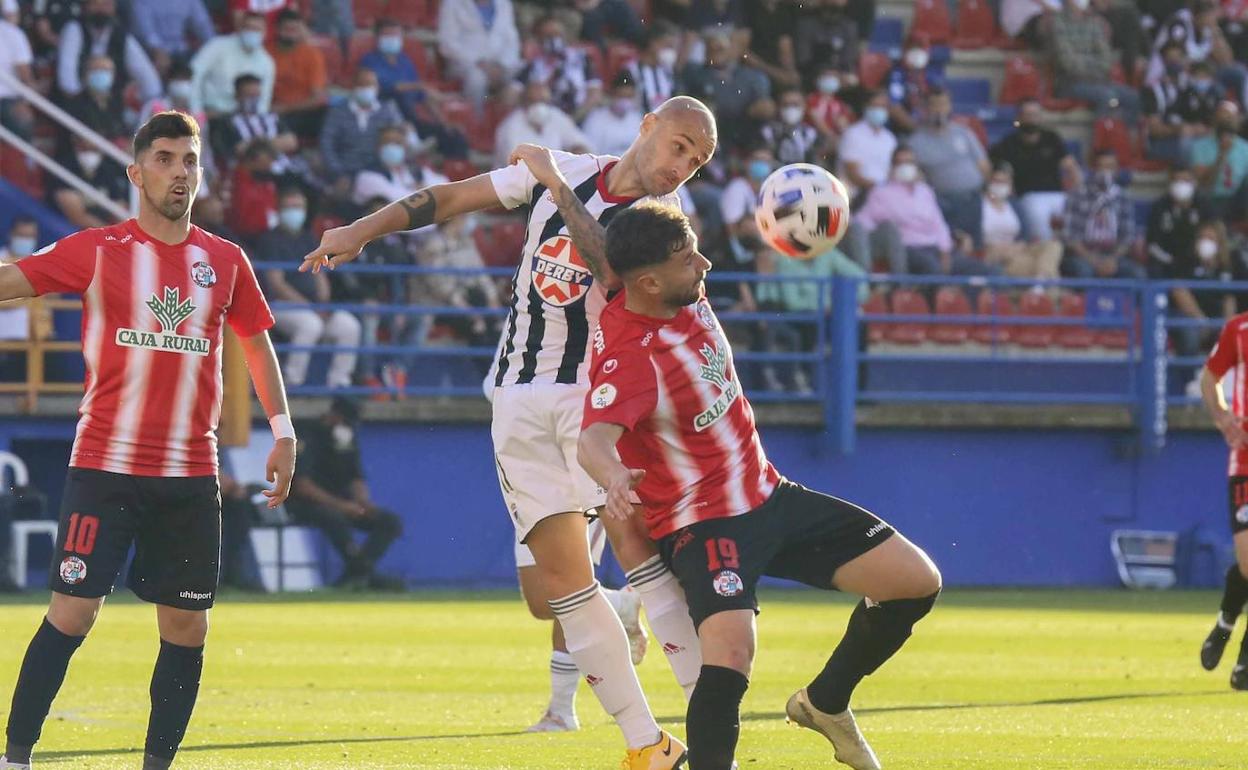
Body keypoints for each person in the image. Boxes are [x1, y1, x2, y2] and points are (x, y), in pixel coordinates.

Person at [298, 97, 724, 769]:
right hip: (518, 400)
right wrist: (363, 229)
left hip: (599, 410)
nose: (682, 167)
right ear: (647, 127)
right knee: (550, 593)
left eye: (696, 162)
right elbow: (448, 199)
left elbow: (613, 273)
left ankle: (699, 742)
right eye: (678, 146)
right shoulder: (571, 169)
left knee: (641, 564)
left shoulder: (666, 226)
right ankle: (647, 735)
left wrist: (554, 185)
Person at [578, 201, 942, 770]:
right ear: (648, 281)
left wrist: (560, 183)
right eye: (686, 257)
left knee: (915, 581)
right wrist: (613, 474)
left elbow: (605, 249)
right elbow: (593, 439)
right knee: (731, 652)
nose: (705, 263)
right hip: (703, 521)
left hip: (769, 493)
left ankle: (825, 703)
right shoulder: (631, 354)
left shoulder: (673, 290)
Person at [0, 110, 295, 770]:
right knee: (73, 614)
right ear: (137, 173)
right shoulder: (98, 250)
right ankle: (16, 756)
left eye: (189, 160)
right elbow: (12, 282)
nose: (180, 173)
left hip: (189, 473)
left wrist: (284, 433)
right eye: (165, 159)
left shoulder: (224, 260)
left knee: (186, 627)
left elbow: (256, 343)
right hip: (104, 464)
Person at [286, 397, 402, 589]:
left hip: (342, 504)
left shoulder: (346, 437)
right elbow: (303, 486)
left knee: (389, 522)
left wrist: (363, 501)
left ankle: (355, 575)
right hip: (304, 504)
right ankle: (366, 575)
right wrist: (342, 506)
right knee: (333, 518)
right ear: (334, 416)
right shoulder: (307, 434)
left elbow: (355, 476)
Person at [259, 187, 361, 389]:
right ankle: (293, 381)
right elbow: (277, 283)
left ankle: (339, 382)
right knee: (310, 325)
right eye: (289, 207)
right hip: (280, 305)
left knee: (349, 326)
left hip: (314, 307)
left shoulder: (308, 237)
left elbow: (320, 274)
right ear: (279, 210)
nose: (295, 211)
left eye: (298, 207)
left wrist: (323, 304)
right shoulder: (270, 239)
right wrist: (309, 307)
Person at [1198, 308, 1248, 691]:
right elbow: (1210, 376)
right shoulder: (1238, 328)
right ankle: (1225, 622)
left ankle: (1245, 659)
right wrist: (1222, 417)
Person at [989, 100, 1082, 241]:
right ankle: (1047, 251)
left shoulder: (1051, 138)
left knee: (1081, 210)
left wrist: (1078, 191)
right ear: (1019, 117)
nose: (1032, 119)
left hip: (1058, 194)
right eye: (1028, 115)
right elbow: (999, 172)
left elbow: (1070, 166)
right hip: (1029, 196)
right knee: (1037, 215)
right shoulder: (1008, 144)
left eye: (1035, 114)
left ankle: (1077, 250)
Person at [1060, 149, 1146, 279]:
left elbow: (1127, 238)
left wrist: (1112, 260)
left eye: (1110, 167)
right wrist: (1094, 261)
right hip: (1083, 256)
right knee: (1084, 272)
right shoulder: (1076, 196)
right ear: (1093, 169)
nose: (1106, 171)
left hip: (1113, 257)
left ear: (1117, 170)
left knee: (1138, 274)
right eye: (1102, 167)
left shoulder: (1123, 198)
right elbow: (1071, 238)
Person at [55, 0, 160, 104]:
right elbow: (67, 82)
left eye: (106, 4)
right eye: (95, 4)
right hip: (76, 105)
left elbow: (150, 81)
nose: (101, 9)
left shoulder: (120, 35)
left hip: (110, 105)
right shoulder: (74, 29)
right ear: (85, 6)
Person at [188, 11, 275, 122]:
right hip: (211, 113)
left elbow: (264, 101)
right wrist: (196, 111)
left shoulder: (267, 62)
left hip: (243, 120)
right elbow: (194, 73)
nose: (252, 32)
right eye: (249, 28)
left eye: (257, 29)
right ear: (240, 28)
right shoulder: (217, 45)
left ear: (265, 33)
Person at [437, 0, 523, 111]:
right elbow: (447, 44)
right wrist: (479, 63)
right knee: (477, 79)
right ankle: (476, 122)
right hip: (465, 63)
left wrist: (502, 65)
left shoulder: (504, 4)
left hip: (498, 64)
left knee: (526, 71)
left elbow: (512, 40)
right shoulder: (452, 3)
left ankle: (512, 118)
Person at [492, 80, 590, 167]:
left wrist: (578, 153)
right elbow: (516, 166)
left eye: (543, 101)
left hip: (553, 178)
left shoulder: (556, 116)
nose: (539, 106)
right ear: (523, 102)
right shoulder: (510, 127)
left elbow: (582, 144)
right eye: (533, 101)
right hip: (516, 184)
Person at [266, 9, 328, 141]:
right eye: (287, 29)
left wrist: (286, 108)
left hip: (304, 111)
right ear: (277, 29)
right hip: (273, 109)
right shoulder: (266, 52)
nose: (291, 33)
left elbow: (317, 98)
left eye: (294, 29)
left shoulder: (312, 54)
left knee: (327, 117)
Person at [583, 73, 644, 157]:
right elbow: (590, 154)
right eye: (621, 96)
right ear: (611, 95)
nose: (625, 101)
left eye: (629, 96)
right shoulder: (596, 119)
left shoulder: (637, 118)